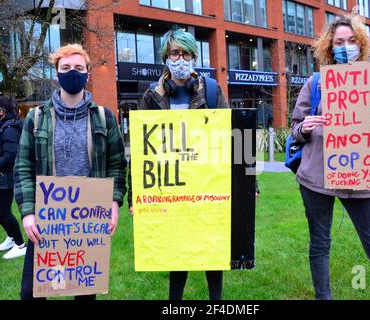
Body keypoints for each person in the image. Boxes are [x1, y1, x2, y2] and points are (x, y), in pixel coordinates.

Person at [290, 14, 370, 300]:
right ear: (329, 47)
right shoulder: (317, 82)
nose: (345, 47)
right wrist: (304, 128)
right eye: (339, 42)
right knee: (319, 245)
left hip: (362, 178)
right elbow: (295, 128)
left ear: (362, 44)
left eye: (351, 41)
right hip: (316, 178)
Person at [14, 44, 127, 300]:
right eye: (65, 68)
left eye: (78, 68)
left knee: (84, 293)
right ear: (57, 73)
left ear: (87, 74)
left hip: (87, 219)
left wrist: (113, 202)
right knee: (31, 293)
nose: (72, 73)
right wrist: (28, 213)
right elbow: (23, 167)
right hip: (47, 217)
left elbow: (117, 163)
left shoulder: (103, 117)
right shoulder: (36, 118)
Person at [128, 28, 230, 300]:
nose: (180, 57)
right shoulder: (152, 95)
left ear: (194, 56)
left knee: (211, 248)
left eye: (185, 52)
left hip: (207, 180)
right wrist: (135, 194)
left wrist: (248, 183)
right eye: (175, 52)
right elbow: (140, 148)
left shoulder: (211, 90)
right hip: (170, 185)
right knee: (177, 248)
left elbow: (232, 138)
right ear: (166, 57)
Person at [0, 96, 26, 259]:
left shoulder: (9, 129)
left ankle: (20, 245)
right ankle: (12, 237)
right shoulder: (3, 127)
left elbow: (11, 155)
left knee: (4, 211)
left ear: (2, 111)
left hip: (4, 178)